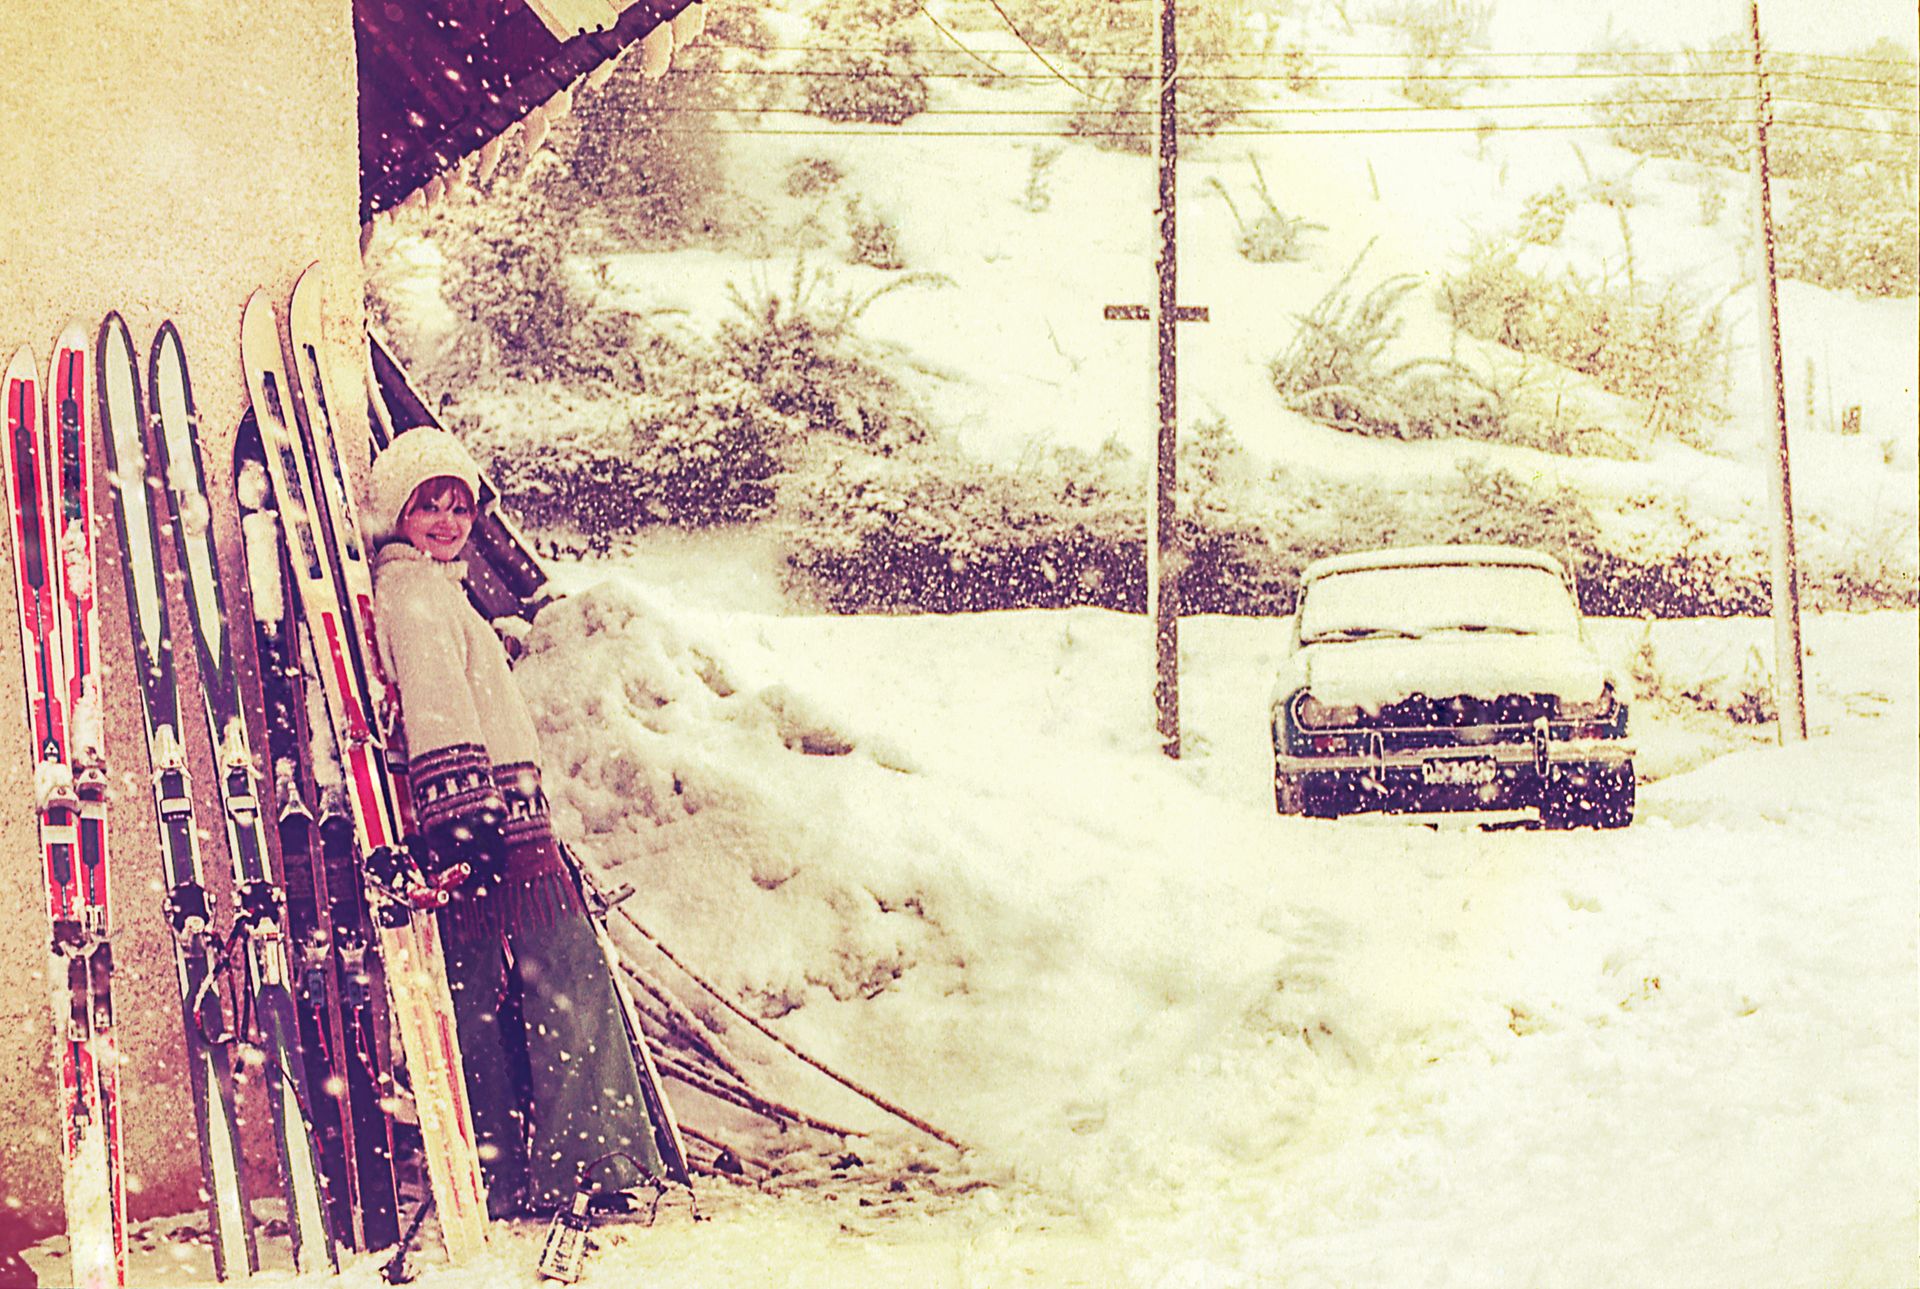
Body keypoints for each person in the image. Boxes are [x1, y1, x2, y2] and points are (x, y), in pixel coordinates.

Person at [365, 426, 664, 1218]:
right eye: (427, 504)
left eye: (458, 505)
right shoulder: (419, 594)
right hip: (491, 833)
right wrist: (470, 826)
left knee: (486, 1004)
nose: (445, 520)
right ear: (396, 510)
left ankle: (498, 1172)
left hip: (488, 826)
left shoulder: (428, 587)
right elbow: (436, 708)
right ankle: (587, 1163)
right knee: (567, 987)